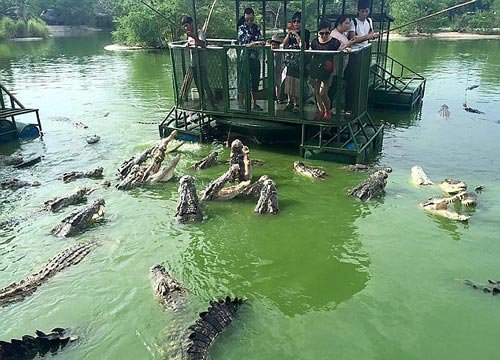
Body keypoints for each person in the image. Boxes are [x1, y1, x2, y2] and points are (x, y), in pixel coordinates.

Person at [180, 16, 216, 109]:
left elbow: (203, 44)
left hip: (201, 63)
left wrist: (194, 37)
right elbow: (190, 44)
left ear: (191, 23)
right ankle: (202, 103)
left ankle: (213, 104)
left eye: (187, 25)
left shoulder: (199, 32)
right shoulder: (189, 35)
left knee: (205, 84)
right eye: (184, 26)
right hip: (194, 63)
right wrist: (188, 44)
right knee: (198, 85)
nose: (186, 28)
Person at [309, 21, 341, 121]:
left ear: (329, 32)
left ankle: (328, 111)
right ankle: (320, 110)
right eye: (321, 33)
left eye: (326, 33)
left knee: (323, 92)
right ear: (318, 33)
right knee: (316, 92)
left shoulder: (334, 42)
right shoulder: (314, 42)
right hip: (316, 68)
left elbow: (341, 49)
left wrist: (346, 48)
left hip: (328, 69)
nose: (324, 35)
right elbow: (311, 52)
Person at [283, 12, 310, 113]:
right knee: (289, 80)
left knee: (298, 81)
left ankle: (298, 104)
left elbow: (303, 45)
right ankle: (289, 102)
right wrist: (289, 34)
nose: (296, 23)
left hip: (300, 60)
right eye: (294, 21)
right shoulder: (290, 33)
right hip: (290, 60)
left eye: (298, 21)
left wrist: (296, 35)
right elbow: (284, 45)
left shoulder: (305, 32)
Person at [237, 7, 264, 111]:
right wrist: (255, 43)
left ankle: (254, 103)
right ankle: (241, 103)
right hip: (244, 58)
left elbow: (259, 41)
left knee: (255, 80)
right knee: (242, 81)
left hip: (255, 58)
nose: (249, 21)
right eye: (247, 19)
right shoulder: (242, 28)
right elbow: (244, 44)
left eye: (251, 19)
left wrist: (254, 43)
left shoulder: (256, 28)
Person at [269, 34, 285, 103]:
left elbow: (282, 61)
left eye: (275, 44)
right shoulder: (270, 52)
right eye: (272, 44)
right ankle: (273, 97)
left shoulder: (280, 52)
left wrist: (281, 68)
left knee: (278, 84)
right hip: (272, 69)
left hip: (278, 70)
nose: (273, 46)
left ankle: (278, 98)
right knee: (272, 84)